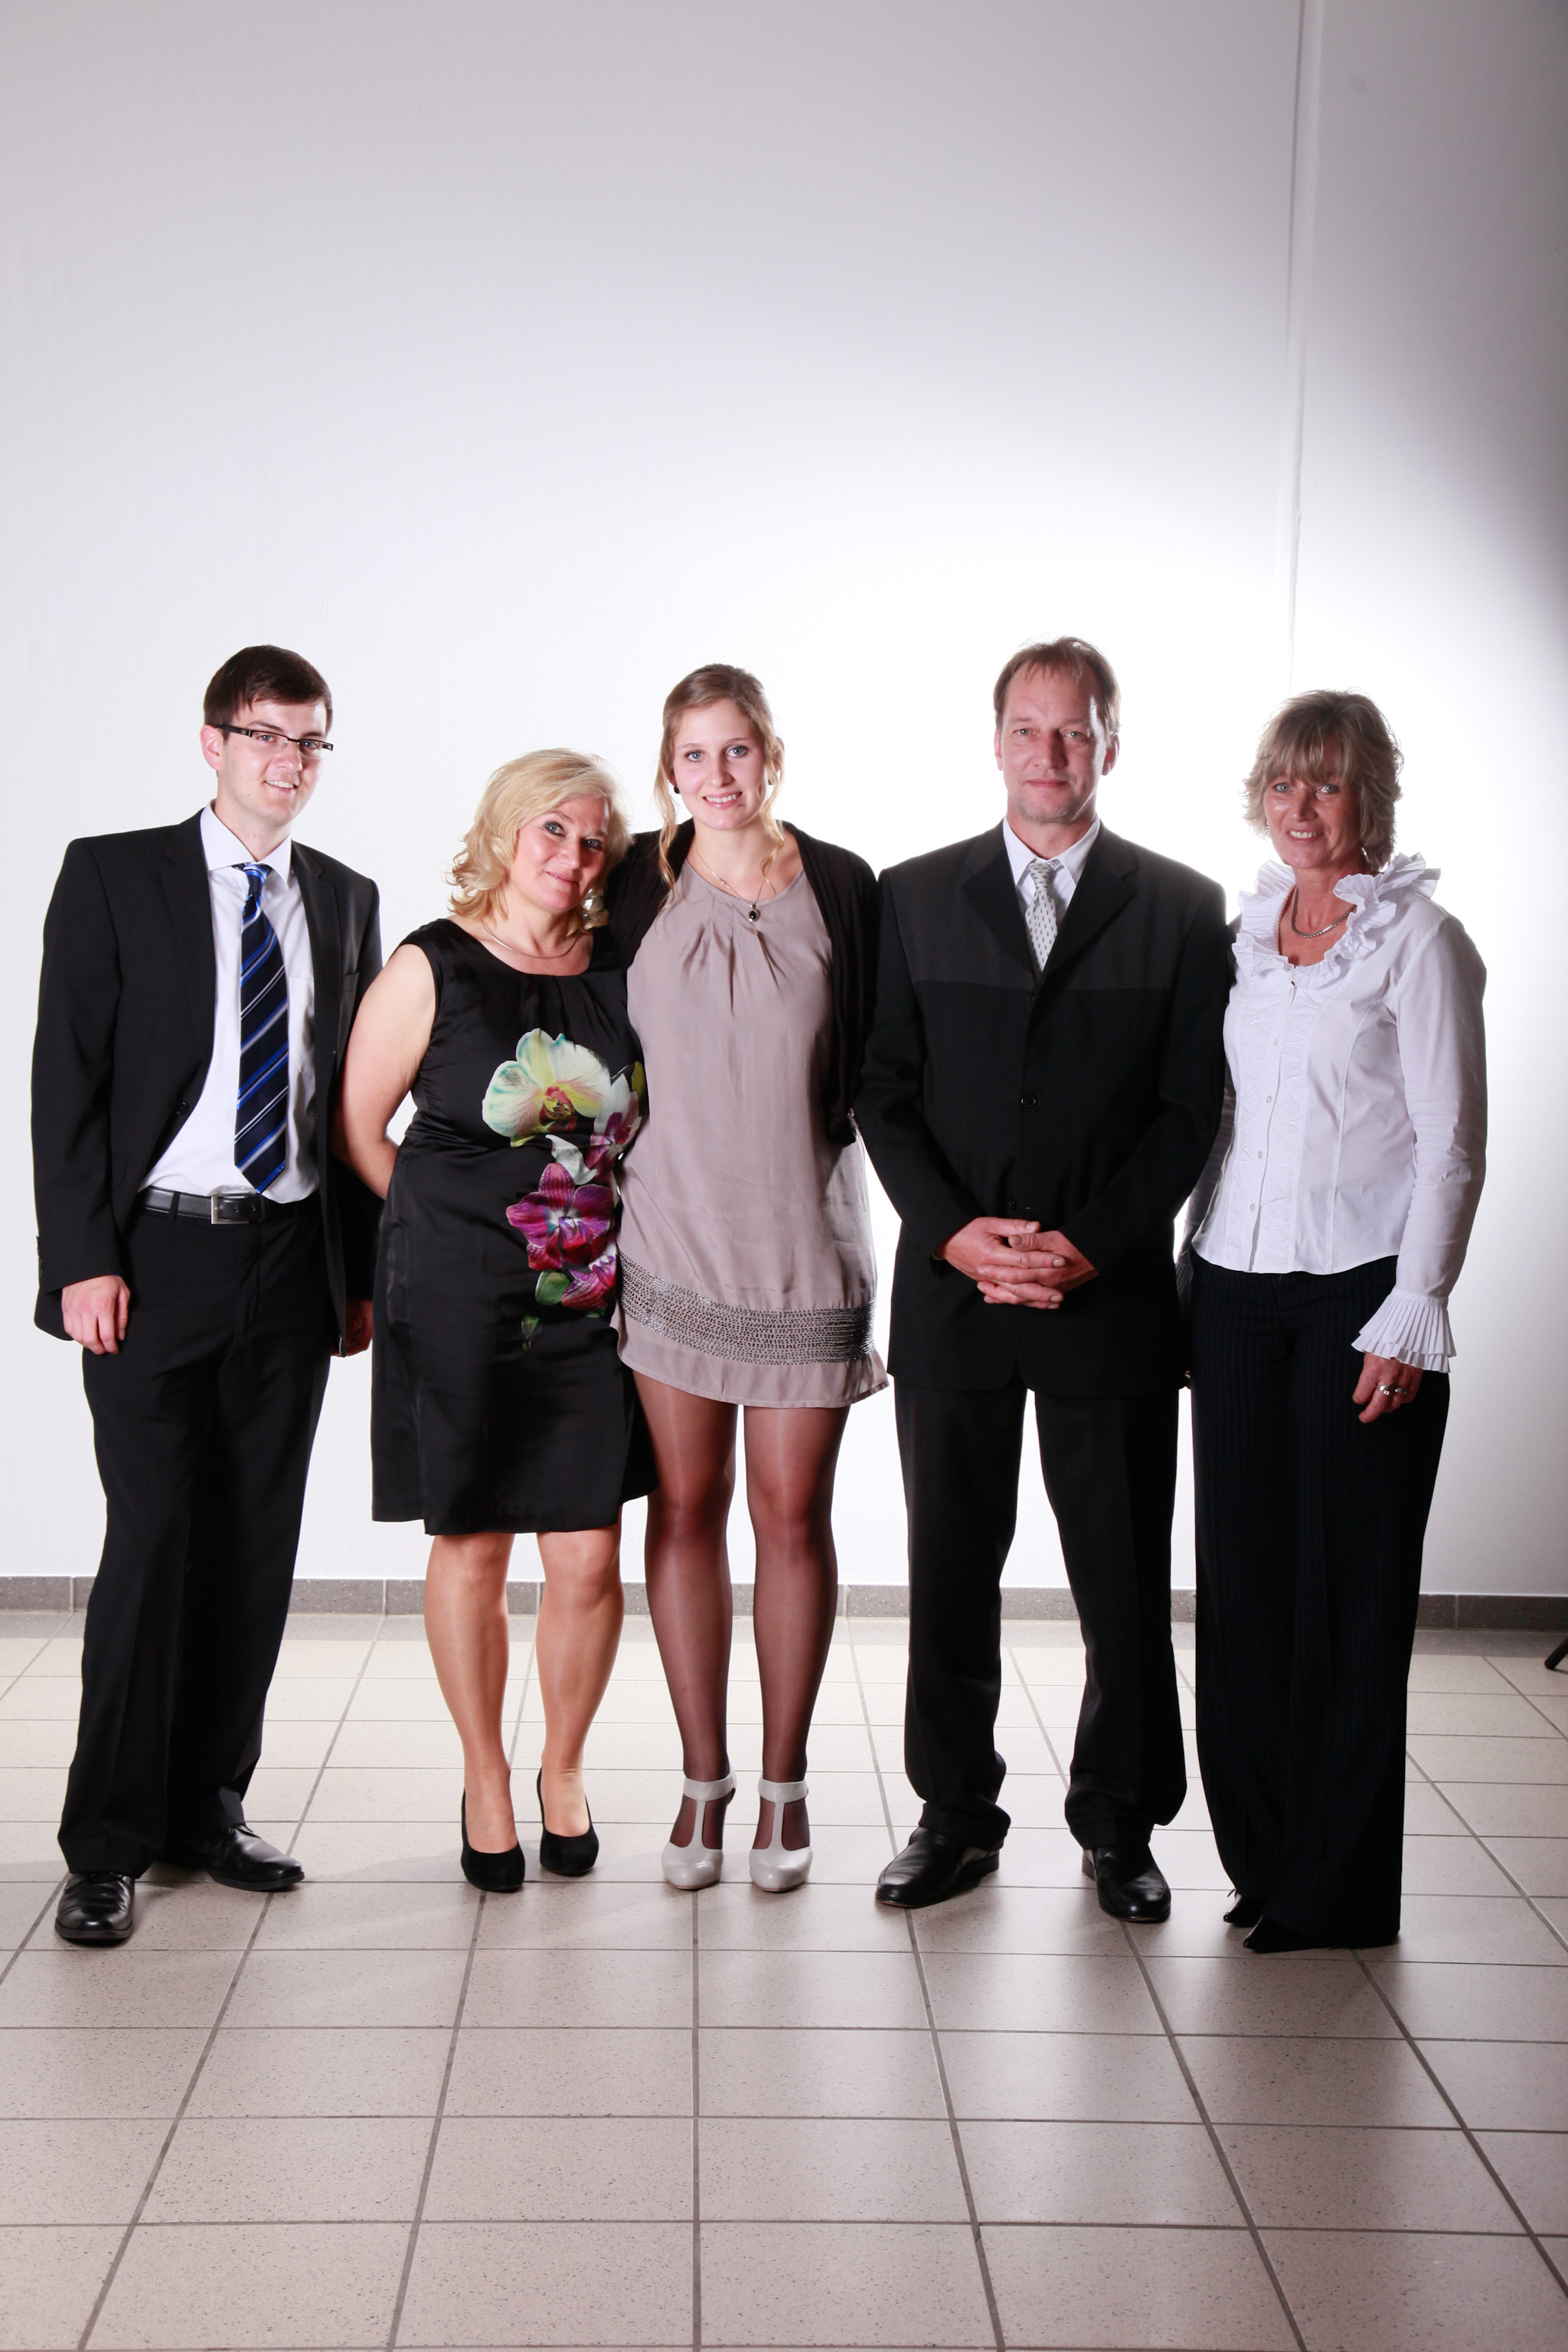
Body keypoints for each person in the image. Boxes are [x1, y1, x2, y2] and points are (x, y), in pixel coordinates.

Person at [858, 637, 1230, 1915]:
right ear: (996, 741)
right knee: (950, 1568)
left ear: (1111, 745)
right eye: (1028, 728)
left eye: (1076, 730)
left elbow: (1190, 1109)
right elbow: (883, 1090)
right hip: (953, 1291)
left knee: (1121, 1579)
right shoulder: (913, 896)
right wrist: (955, 1233)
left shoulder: (1181, 907)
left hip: (1108, 1294)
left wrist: (1091, 1244)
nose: (1050, 753)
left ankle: (1121, 1823)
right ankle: (955, 1813)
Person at [33, 645, 382, 1947]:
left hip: (289, 1259)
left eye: (310, 741)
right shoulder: (113, 875)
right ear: (212, 743)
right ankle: (107, 1843)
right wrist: (82, 1257)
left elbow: (348, 1106)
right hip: (153, 1260)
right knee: (152, 1542)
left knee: (252, 1546)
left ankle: (208, 1808)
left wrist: (353, 1276)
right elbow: (64, 1081)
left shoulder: (344, 898)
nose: (288, 762)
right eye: (265, 735)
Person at [1184, 691, 1486, 1952]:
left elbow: (1451, 1142)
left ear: (1370, 797)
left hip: (1362, 1293)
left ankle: (1340, 1889)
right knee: (1244, 1590)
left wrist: (1414, 1309)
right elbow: (1224, 1121)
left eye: (1327, 782)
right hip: (1233, 1290)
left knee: (1350, 1601)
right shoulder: (1246, 938)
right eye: (1283, 782)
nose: (1300, 806)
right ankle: (1263, 1860)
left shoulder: (1421, 942)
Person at [338, 750, 652, 1890]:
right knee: (470, 1541)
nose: (573, 856)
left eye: (593, 839)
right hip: (456, 1295)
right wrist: (448, 1226)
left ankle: (563, 1770)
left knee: (588, 1552)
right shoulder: (432, 964)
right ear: (506, 830)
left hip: (588, 1297)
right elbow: (359, 1127)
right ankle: (485, 1777)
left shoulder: (620, 967)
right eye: (552, 830)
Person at [605, 664, 884, 1892]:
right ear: (668, 770)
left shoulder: (844, 887)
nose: (717, 775)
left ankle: (784, 1789)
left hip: (801, 1245)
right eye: (694, 755)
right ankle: (700, 1785)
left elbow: (888, 1063)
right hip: (668, 1236)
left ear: (771, 754)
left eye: (736, 750)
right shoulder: (633, 881)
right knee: (683, 1508)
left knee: (792, 1517)